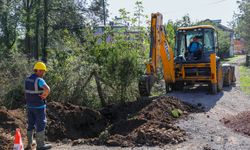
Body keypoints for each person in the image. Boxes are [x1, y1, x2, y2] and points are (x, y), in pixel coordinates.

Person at [25, 61, 51, 150]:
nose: (43, 73)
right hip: (39, 107)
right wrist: (45, 95)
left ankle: (29, 144)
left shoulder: (27, 79)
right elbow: (47, 89)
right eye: (43, 71)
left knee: (30, 124)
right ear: (39, 70)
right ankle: (40, 145)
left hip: (29, 106)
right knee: (40, 124)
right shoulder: (39, 80)